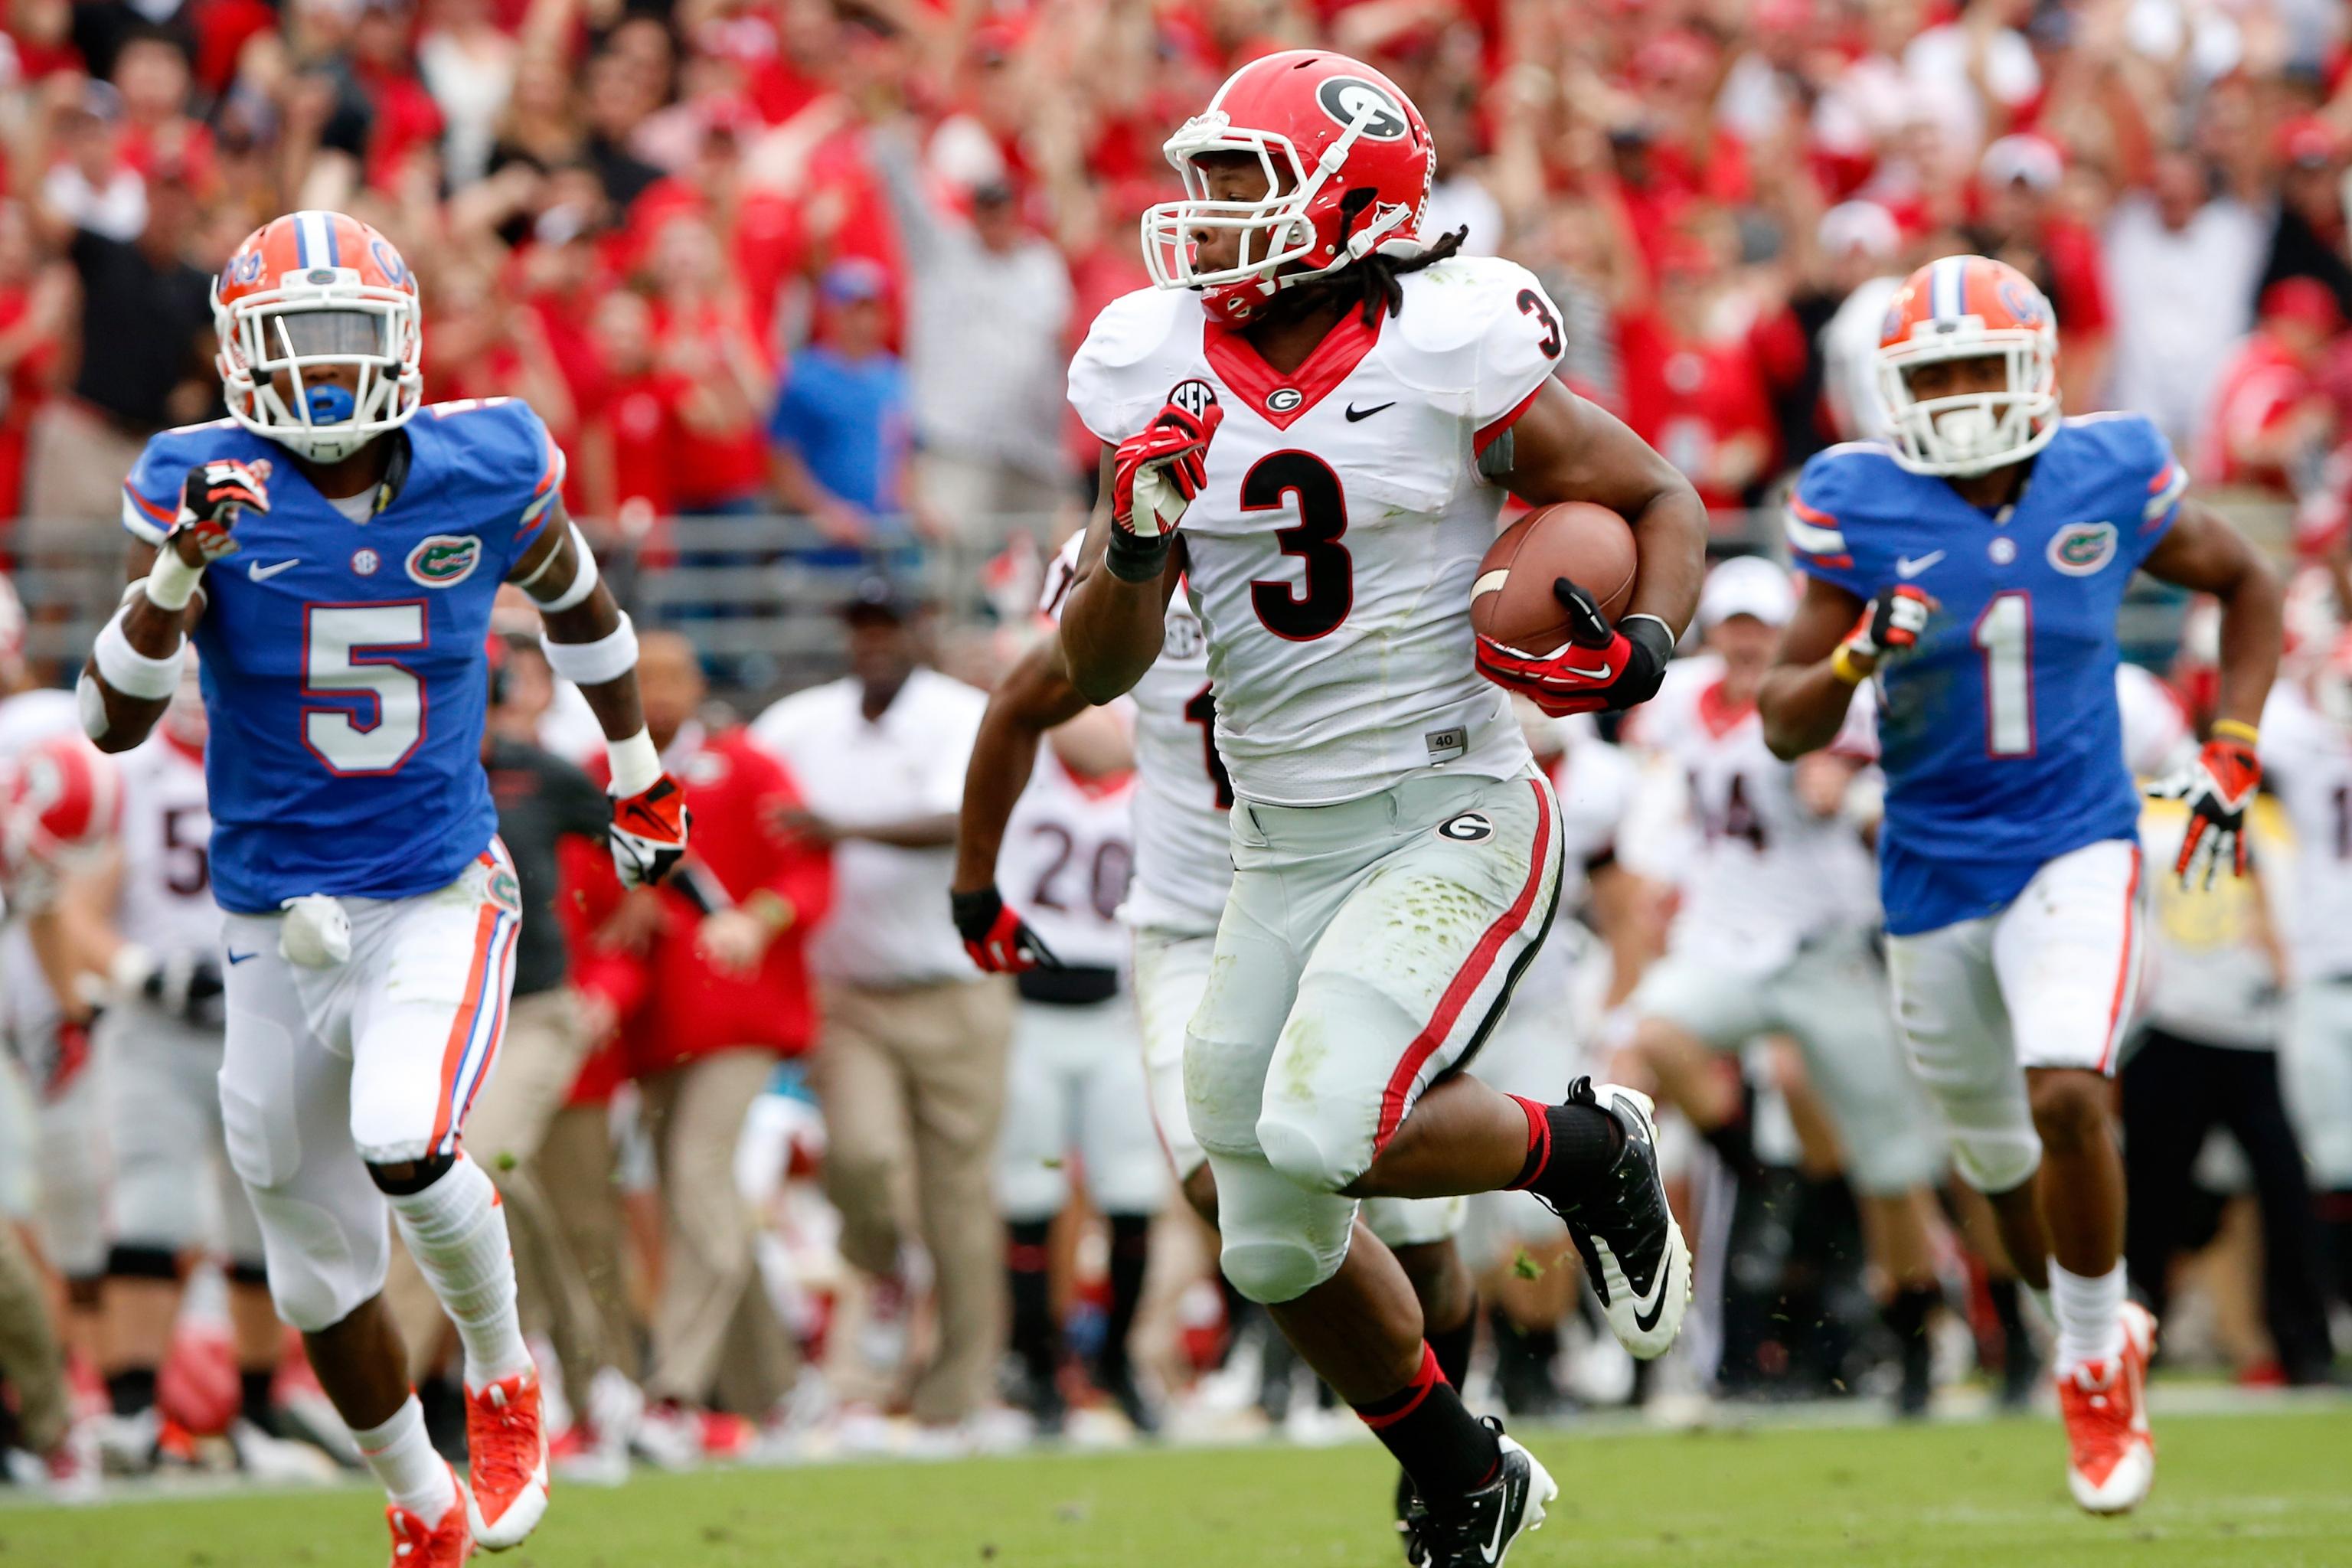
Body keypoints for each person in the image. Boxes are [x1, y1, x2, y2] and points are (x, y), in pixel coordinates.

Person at [1055, 53, 1707, 1563]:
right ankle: (1465, 1470)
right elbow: (1096, 662)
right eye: (1203, 179)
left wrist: (1647, 647)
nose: (1202, 216)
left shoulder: (1451, 342)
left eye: (1240, 183)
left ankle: (1590, 1147)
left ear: (1349, 205)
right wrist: (1138, 541)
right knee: (1262, 1220)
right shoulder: (1153, 361)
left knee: (1333, 1116)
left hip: (1450, 807)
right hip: (1274, 846)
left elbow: (1659, 497)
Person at [76, 210, 691, 1564]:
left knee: (405, 1133)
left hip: (432, 887)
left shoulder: (488, 461)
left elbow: (585, 610)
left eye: (349, 338)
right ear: (239, 355)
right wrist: (180, 566)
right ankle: (419, 1498)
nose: (326, 374)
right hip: (268, 917)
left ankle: (503, 1370)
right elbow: (111, 722)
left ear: (405, 341)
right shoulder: (198, 480)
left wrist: (639, 768)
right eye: (295, 346)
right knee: (312, 1271)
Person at [1758, 253, 2283, 1514]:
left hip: (2077, 840)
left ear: (2035, 373)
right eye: (1927, 375)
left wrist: (2234, 738)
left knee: (2065, 1095)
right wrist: (1848, 658)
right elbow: (1779, 719)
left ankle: (2095, 1354)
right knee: (1996, 1161)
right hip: (1933, 867)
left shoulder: (2107, 469)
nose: (1950, 398)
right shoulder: (1854, 498)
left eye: (1974, 370)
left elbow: (2247, 579)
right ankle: (2075, 1314)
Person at [956, 531, 1491, 1518]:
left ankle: (1453, 1444)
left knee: (1418, 1232)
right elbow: (1027, 700)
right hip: (1197, 923)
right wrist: (975, 882)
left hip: (1351, 905)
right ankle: (1458, 1463)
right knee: (1228, 1188)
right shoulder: (1128, 572)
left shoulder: (1346, 550)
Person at [1622, 555, 1950, 1417]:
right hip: (1722, 946)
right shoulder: (1681, 699)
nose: (1744, 642)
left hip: (1820, 947)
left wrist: (1841, 781)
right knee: (1640, 1042)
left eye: (1760, 627)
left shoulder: (1826, 695)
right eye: (1731, 625)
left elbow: (1869, 771)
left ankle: (1915, 1322)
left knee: (1891, 1162)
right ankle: (1747, 1155)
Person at [750, 578, 1013, 1451]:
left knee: (960, 1200)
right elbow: (746, 790)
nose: (872, 640)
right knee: (861, 1159)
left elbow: (963, 814)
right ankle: (881, 1268)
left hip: (956, 987)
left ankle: (955, 1396)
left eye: (886, 623)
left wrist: (840, 828)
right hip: (849, 990)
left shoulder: (959, 711)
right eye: (859, 624)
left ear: (919, 626)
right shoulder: (801, 721)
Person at [382, 629, 648, 1485]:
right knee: (478, 1194)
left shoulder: (537, 769)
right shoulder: (403, 774)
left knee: (469, 1167)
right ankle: (584, 1373)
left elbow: (639, 834)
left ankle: (388, 1390)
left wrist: (686, 899)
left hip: (533, 1010)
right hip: (440, 1015)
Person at [571, 630, 831, 1461]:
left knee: (698, 1177)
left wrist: (761, 919)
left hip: (740, 1025)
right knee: (693, 1202)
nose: (661, 690)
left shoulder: (746, 764)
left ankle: (675, 1387)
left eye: (674, 674)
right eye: (643, 676)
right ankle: (772, 1388)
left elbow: (808, 870)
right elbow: (579, 884)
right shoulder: (592, 774)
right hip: (649, 1031)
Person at [90, 658, 332, 1480]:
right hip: (155, 1027)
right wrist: (139, 971)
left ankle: (257, 1406)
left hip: (263, 1017)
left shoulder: (287, 762)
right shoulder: (130, 772)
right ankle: (131, 1409)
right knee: (150, 1205)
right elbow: (81, 908)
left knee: (263, 1215)